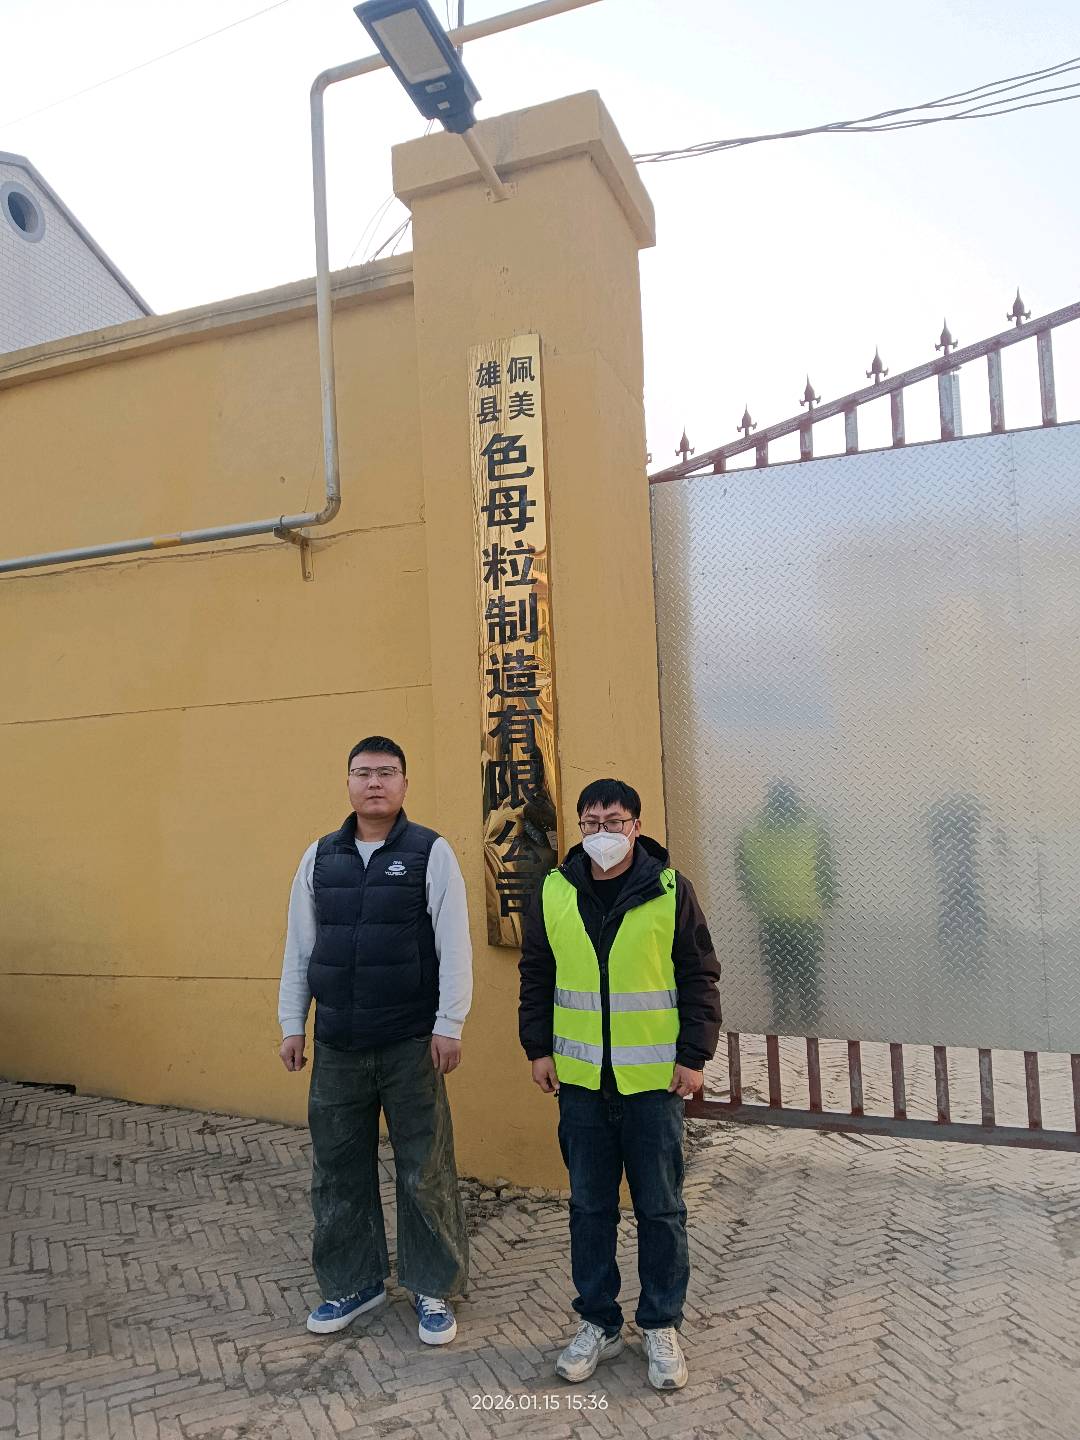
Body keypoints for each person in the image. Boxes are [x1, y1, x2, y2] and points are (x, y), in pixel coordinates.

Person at [518, 779, 722, 1392]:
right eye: (590, 822)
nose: (601, 832)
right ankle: (599, 1322)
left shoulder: (669, 889)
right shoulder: (555, 890)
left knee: (661, 1209)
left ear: (636, 826)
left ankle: (660, 1323)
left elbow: (699, 974)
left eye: (613, 821)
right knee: (589, 1208)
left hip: (652, 1083)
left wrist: (694, 1055)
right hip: (581, 1081)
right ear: (579, 827)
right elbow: (537, 973)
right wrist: (538, 1049)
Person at [278, 736, 472, 1346]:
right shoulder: (320, 857)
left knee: (424, 1168)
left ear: (405, 784)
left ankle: (432, 1286)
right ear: (348, 784)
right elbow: (300, 947)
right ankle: (353, 1283)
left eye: (387, 773)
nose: (374, 783)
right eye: (363, 773)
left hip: (409, 1041)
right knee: (337, 1171)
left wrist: (449, 1023)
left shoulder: (429, 852)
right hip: (338, 1044)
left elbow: (454, 944)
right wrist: (293, 1024)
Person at [735, 780, 836, 1034]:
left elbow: (743, 873)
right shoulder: (814, 828)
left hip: (770, 914)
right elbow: (825, 869)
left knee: (777, 972)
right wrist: (827, 899)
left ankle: (781, 1017)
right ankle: (809, 1020)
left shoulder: (752, 831)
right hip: (805, 914)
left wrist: (755, 901)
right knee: (807, 970)